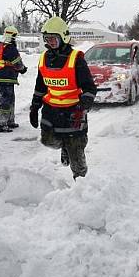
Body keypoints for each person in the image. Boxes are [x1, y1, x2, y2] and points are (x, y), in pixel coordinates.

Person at [29, 16, 97, 180]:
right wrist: (34, 106)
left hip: (73, 112)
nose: (50, 42)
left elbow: (89, 88)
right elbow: (40, 86)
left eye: (53, 39)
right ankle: (65, 147)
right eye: (47, 39)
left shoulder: (76, 59)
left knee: (76, 154)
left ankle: (81, 186)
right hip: (51, 111)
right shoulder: (44, 58)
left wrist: (83, 106)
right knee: (47, 140)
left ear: (63, 37)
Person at [0, 25, 27, 132]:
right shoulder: (10, 48)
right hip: (6, 77)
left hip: (3, 76)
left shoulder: (4, 46)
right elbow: (17, 62)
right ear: (11, 36)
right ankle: (2, 123)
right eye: (14, 37)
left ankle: (9, 121)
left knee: (10, 99)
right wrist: (22, 69)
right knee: (6, 100)